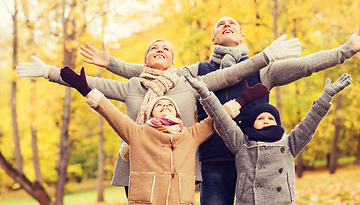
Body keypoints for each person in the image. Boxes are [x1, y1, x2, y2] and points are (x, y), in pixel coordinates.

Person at [82, 18, 360, 204]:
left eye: (233, 24)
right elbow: (156, 71)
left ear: (242, 36)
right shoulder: (196, 72)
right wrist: (112, 64)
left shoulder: (265, 68)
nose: (226, 24)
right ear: (213, 38)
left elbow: (307, 65)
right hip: (214, 161)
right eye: (220, 24)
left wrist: (346, 50)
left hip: (256, 160)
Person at [16, 37, 300, 197]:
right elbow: (88, 87)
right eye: (154, 48)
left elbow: (231, 74)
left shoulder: (189, 83)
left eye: (166, 47)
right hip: (139, 167)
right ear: (145, 60)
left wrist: (266, 56)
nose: (160, 49)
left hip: (182, 168)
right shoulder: (131, 86)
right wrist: (48, 72)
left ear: (174, 61)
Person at [58, 65, 268, 204]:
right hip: (146, 199)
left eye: (169, 104)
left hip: (181, 199)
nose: (166, 106)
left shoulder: (189, 134)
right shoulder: (137, 133)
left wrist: (242, 100)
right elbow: (110, 111)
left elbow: (217, 119)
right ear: (151, 112)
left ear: (177, 113)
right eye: (160, 105)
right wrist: (85, 88)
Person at [184, 72, 352, 204]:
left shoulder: (289, 143)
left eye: (271, 118)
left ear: (277, 123)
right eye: (261, 118)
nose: (266, 121)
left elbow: (309, 123)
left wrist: (326, 96)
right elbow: (221, 119)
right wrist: (205, 92)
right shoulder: (242, 142)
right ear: (252, 124)